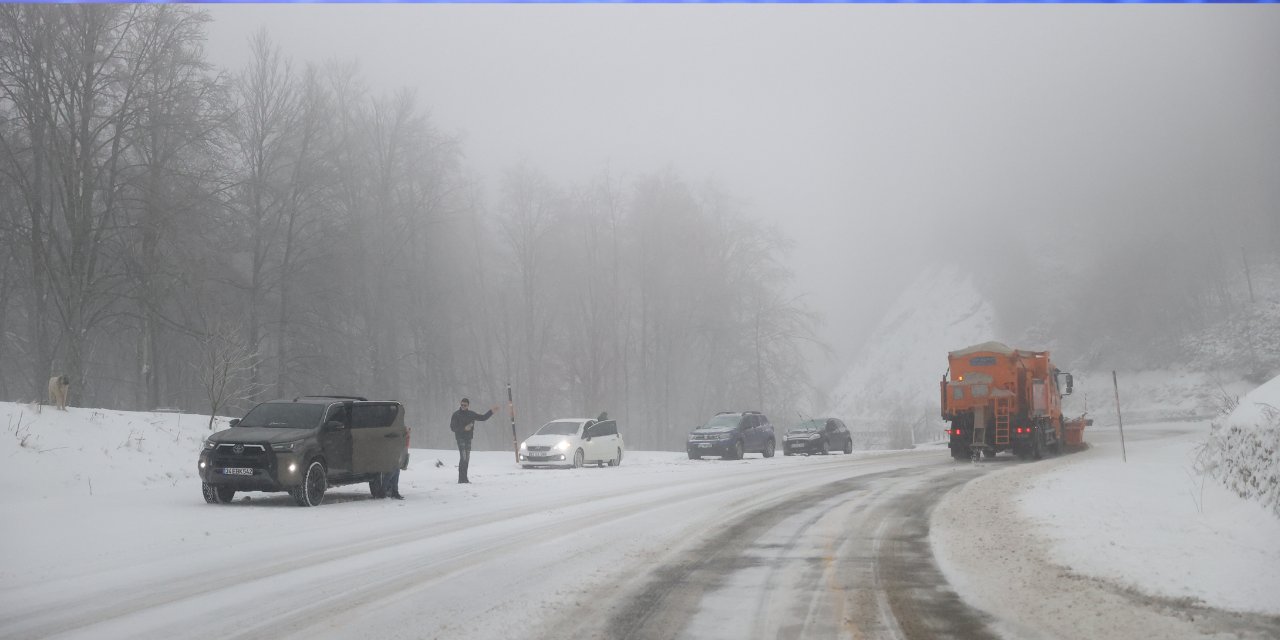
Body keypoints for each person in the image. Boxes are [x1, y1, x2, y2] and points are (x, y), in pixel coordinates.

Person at [450, 397, 496, 484]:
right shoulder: (456, 414)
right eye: (462, 405)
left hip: (468, 438)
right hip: (460, 438)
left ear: (468, 406)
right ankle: (461, 479)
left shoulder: (471, 414)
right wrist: (464, 428)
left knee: (467, 458)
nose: (463, 406)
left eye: (465, 405)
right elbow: (452, 427)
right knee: (463, 457)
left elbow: (483, 418)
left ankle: (465, 479)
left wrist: (491, 411)